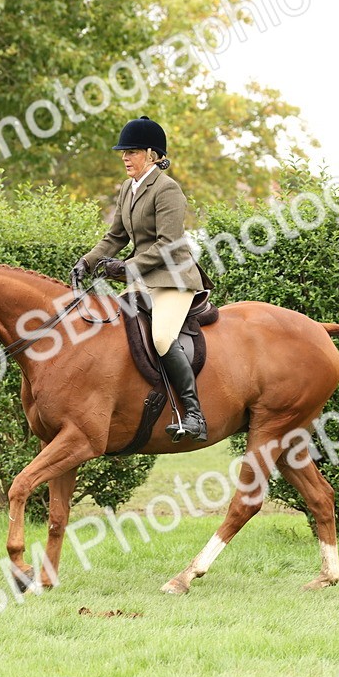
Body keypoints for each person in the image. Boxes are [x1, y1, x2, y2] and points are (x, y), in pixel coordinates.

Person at [71, 116, 213, 442]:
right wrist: (88, 261)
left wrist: (126, 267)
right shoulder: (127, 189)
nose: (124, 157)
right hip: (141, 277)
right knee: (110, 333)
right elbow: (115, 236)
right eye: (123, 152)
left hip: (172, 278)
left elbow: (168, 244)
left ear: (151, 154)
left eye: (132, 151)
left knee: (162, 337)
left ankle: (194, 414)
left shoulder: (167, 189)